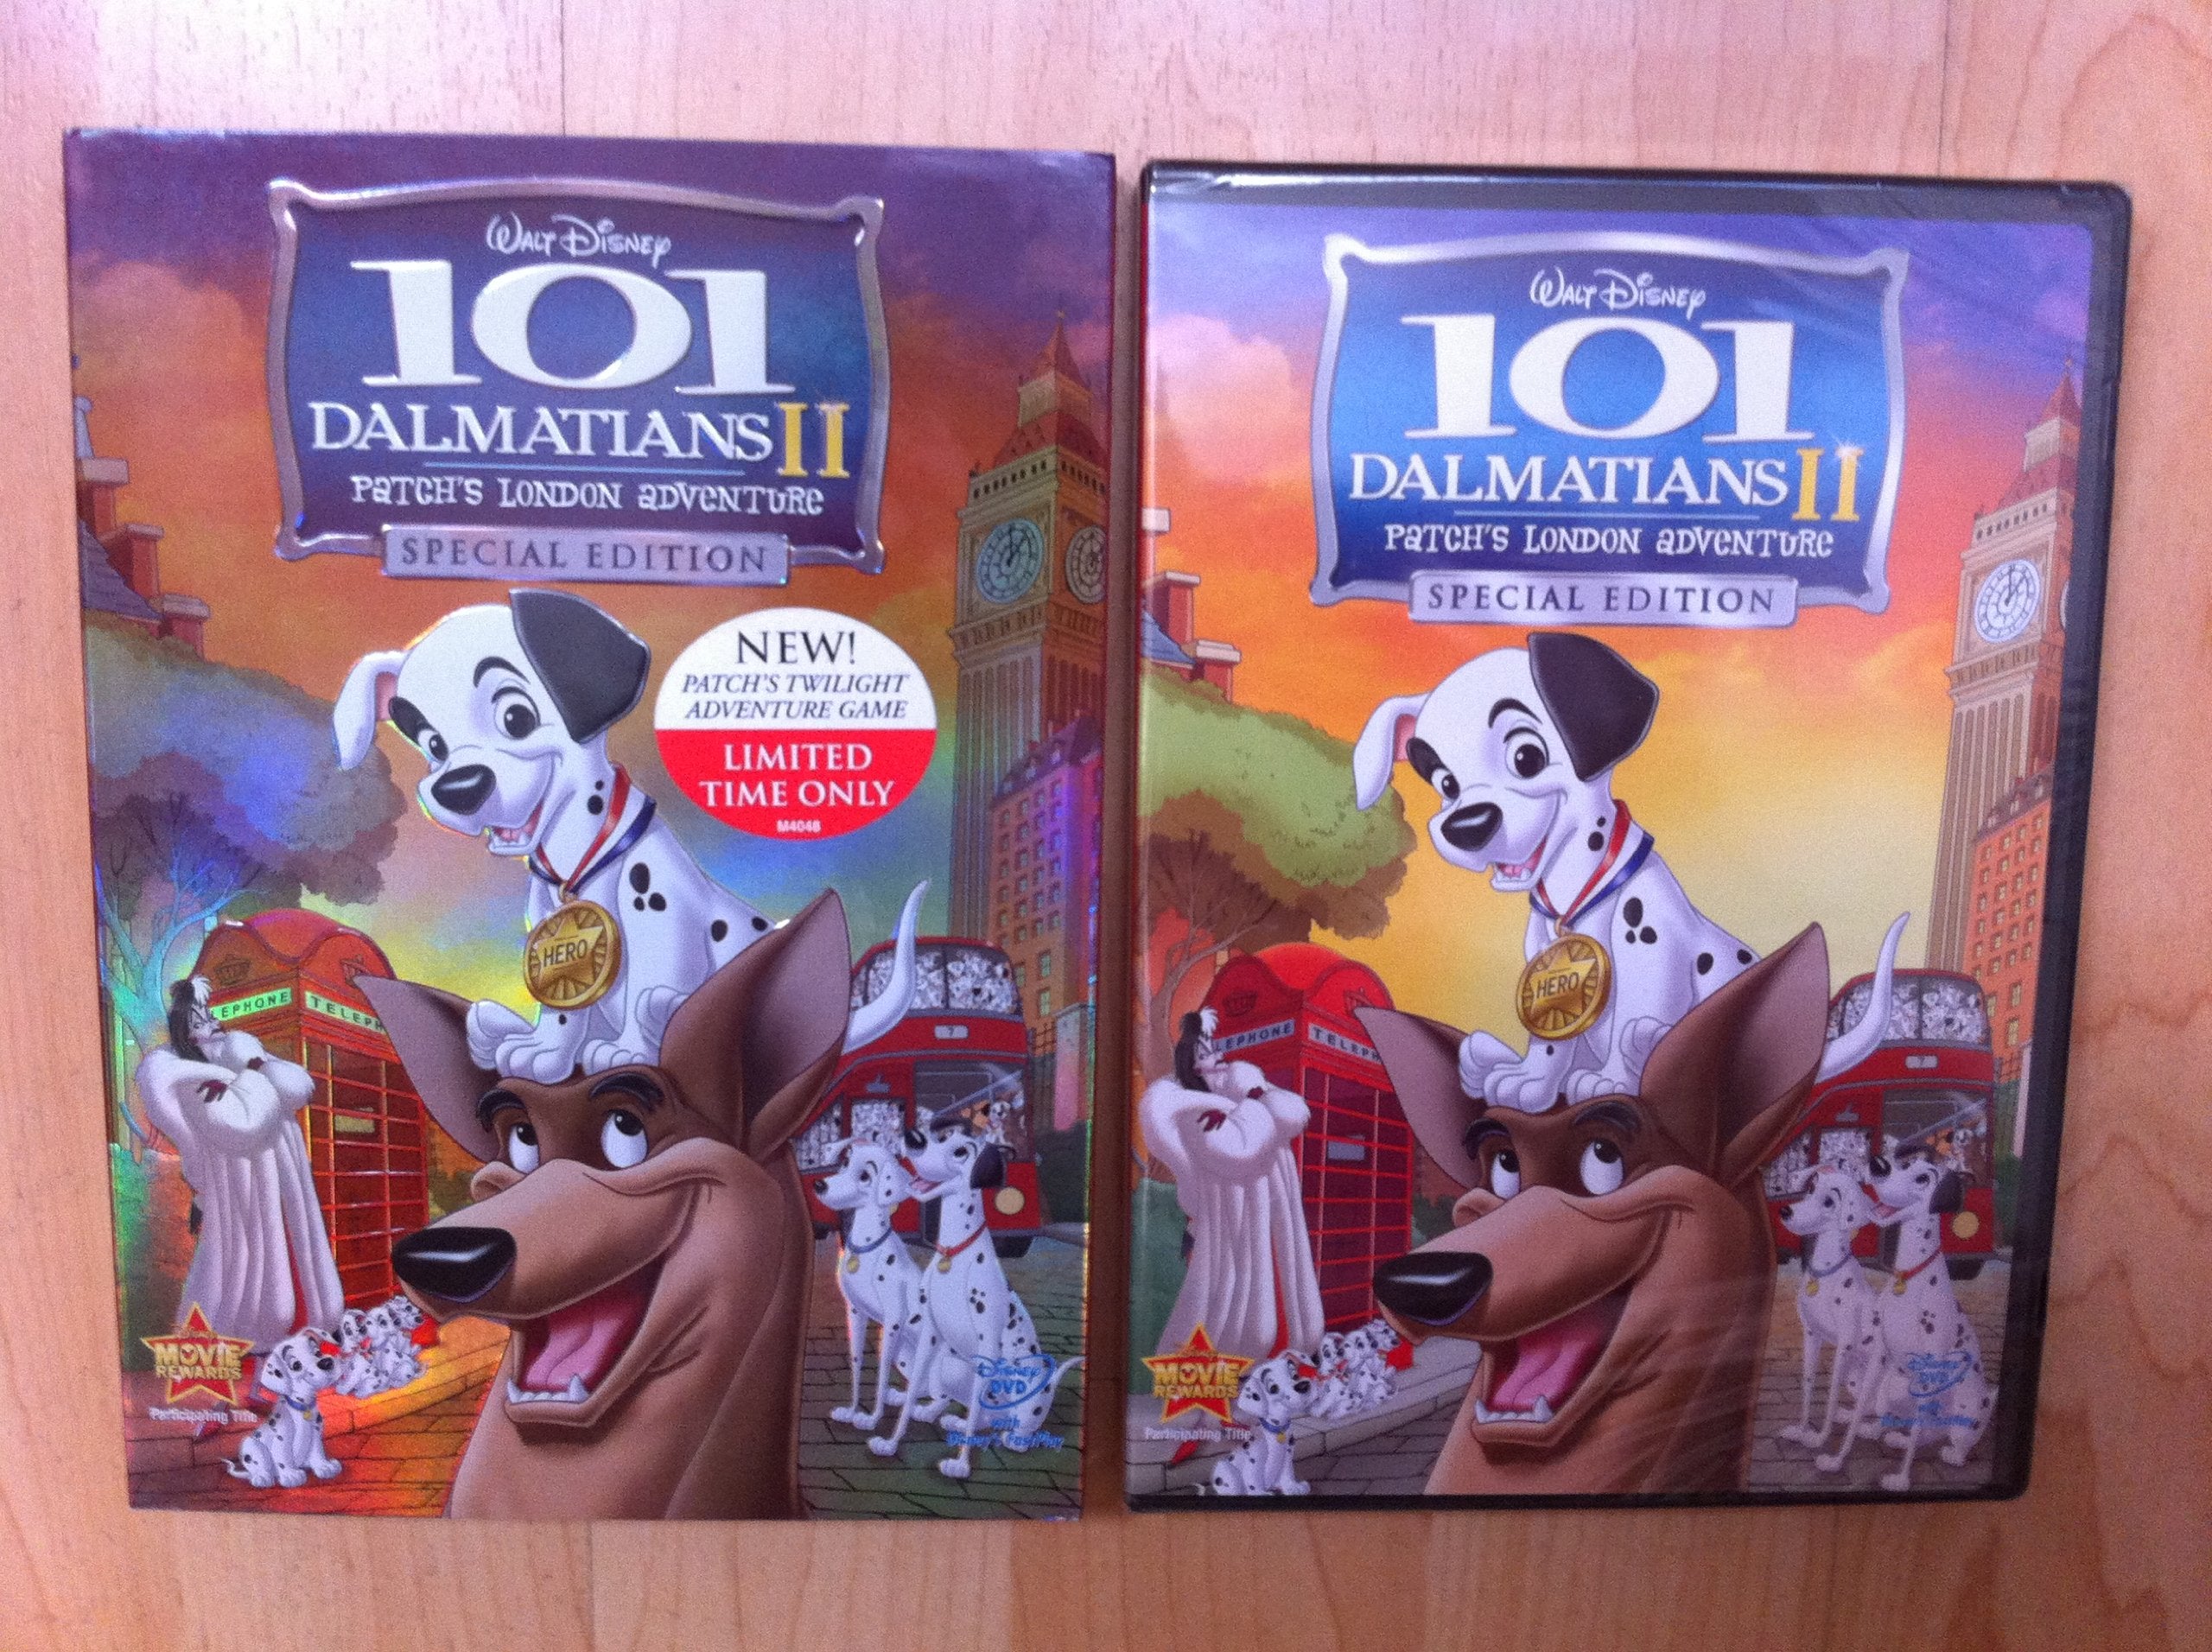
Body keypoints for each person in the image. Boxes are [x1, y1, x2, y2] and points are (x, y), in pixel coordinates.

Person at [136, 977, 344, 1351]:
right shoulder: (197, 1083)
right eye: (199, 1021)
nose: (213, 1024)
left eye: (209, 1014)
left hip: (284, 1182)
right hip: (244, 1190)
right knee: (253, 1277)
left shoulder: (241, 1056)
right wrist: (248, 1073)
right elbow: (241, 1126)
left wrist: (254, 1066)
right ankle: (252, 1344)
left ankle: (304, 1330)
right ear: (186, 1034)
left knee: (297, 1260)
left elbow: (296, 1087)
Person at [1139, 1009, 1325, 1362]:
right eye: (1208, 1053)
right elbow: (1238, 1150)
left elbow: (1290, 1113)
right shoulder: (1196, 1114)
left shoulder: (1239, 1092)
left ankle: (1283, 1358)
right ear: (1195, 1069)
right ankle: (1201, 1379)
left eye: (1215, 1048)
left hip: (1270, 1221)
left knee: (1262, 1309)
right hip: (1230, 1231)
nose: (1220, 1056)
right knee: (1229, 1314)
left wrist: (1254, 1096)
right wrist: (1254, 1101)